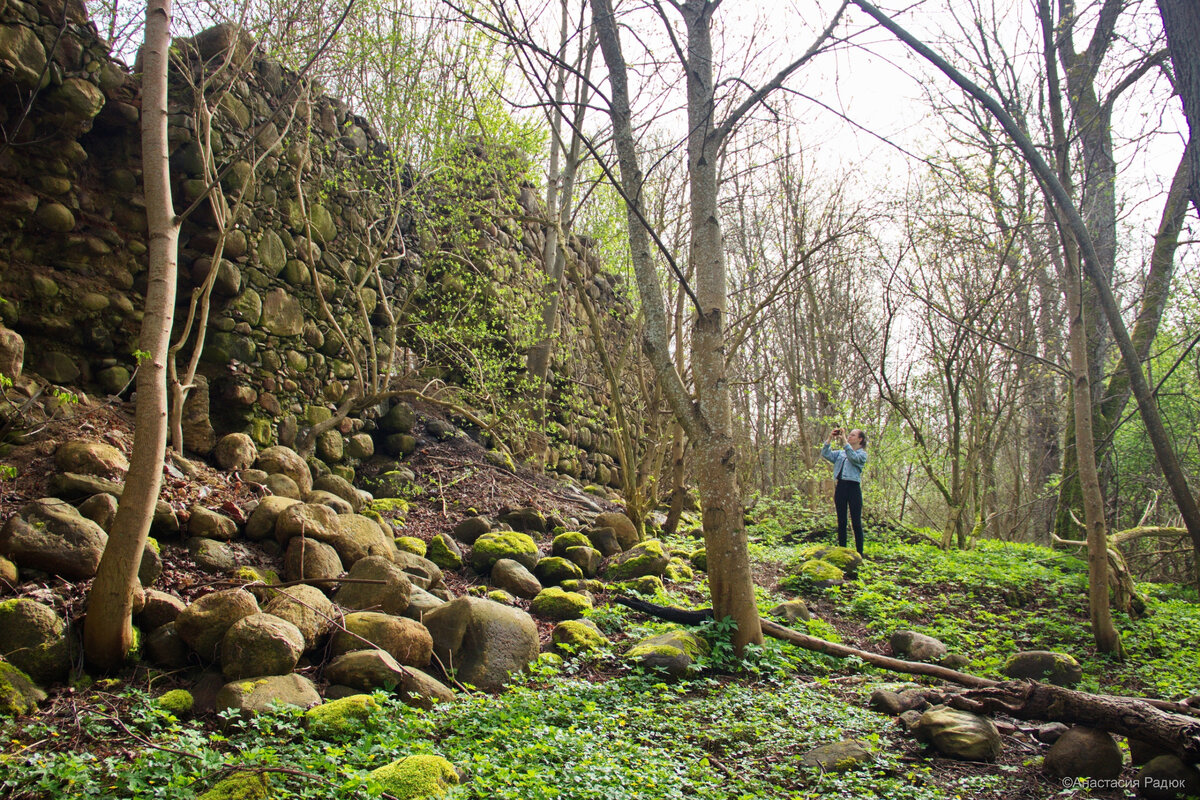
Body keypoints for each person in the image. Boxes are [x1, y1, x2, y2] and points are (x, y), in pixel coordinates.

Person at [821, 427, 869, 555]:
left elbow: (854, 458)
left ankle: (860, 553)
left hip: (853, 488)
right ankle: (842, 551)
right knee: (841, 521)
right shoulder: (841, 453)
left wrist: (844, 442)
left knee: (856, 522)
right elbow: (826, 454)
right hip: (841, 487)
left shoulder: (862, 454)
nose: (849, 436)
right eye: (849, 435)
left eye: (853, 435)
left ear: (860, 439)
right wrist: (830, 438)